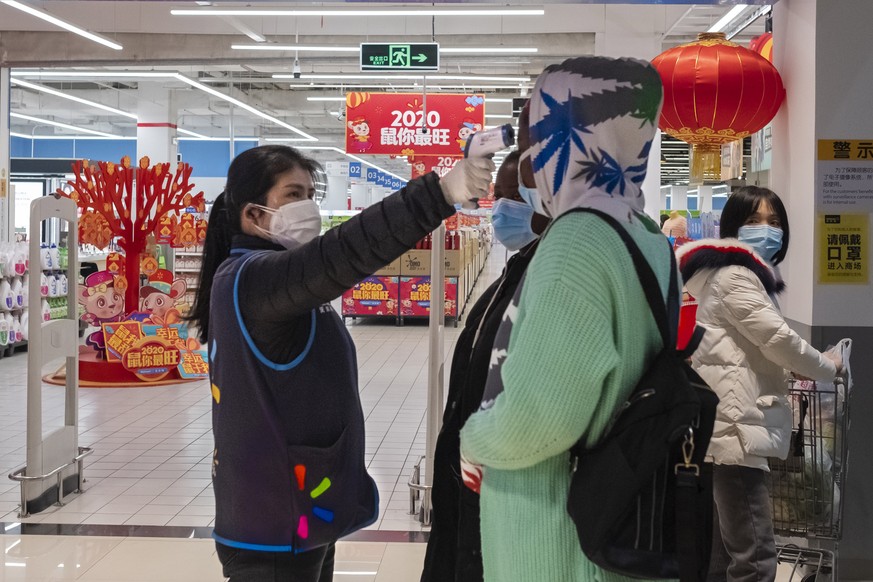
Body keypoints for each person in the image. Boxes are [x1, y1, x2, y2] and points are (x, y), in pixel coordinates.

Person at [186, 145, 493, 582]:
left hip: (301, 512)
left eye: (311, 192)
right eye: (293, 194)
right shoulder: (252, 280)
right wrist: (438, 193)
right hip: (273, 523)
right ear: (253, 215)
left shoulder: (267, 277)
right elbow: (346, 251)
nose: (307, 205)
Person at [459, 56, 675, 581]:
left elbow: (541, 419)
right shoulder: (645, 236)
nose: (527, 162)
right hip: (616, 515)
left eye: (536, 137)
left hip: (555, 537)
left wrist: (472, 437)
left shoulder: (577, 241)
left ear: (574, 139)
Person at [675, 186, 842, 582]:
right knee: (755, 556)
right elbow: (777, 338)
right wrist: (826, 366)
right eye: (754, 221)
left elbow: (750, 343)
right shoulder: (736, 276)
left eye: (775, 222)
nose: (767, 230)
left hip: (721, 425)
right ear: (732, 226)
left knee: (722, 553)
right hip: (736, 431)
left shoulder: (718, 273)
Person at [421, 145, 549, 582]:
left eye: (515, 196)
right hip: (471, 482)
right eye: (501, 194)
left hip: (505, 494)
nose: (503, 208)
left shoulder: (550, 282)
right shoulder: (514, 274)